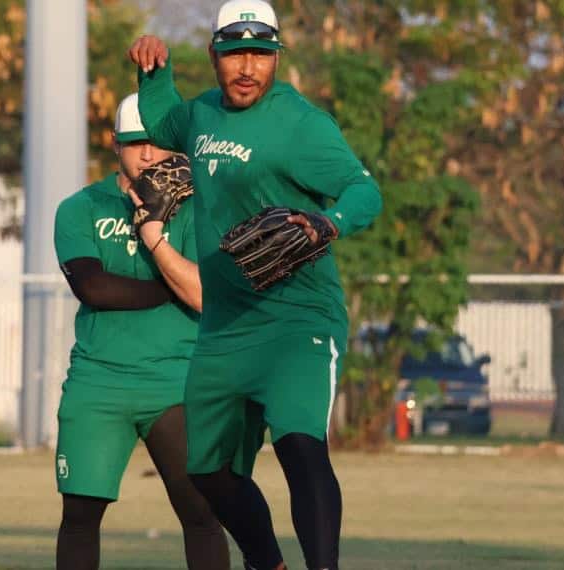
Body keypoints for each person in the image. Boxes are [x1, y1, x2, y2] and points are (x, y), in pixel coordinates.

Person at [127, 1, 384, 568]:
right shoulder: (201, 116)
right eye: (235, 53)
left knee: (298, 444)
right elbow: (161, 116)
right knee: (207, 470)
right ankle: (267, 563)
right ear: (215, 55)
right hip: (226, 323)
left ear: (276, 58)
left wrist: (328, 221)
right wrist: (152, 71)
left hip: (297, 317)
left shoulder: (301, 124)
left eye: (261, 55)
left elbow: (365, 192)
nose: (248, 67)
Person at [52, 93, 228, 570]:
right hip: (98, 382)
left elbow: (203, 295)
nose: (147, 154)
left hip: (176, 382)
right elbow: (93, 287)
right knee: (80, 516)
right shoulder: (80, 207)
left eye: (158, 143)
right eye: (134, 143)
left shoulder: (199, 208)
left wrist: (176, 278)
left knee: (202, 512)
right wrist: (169, 282)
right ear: (114, 145)